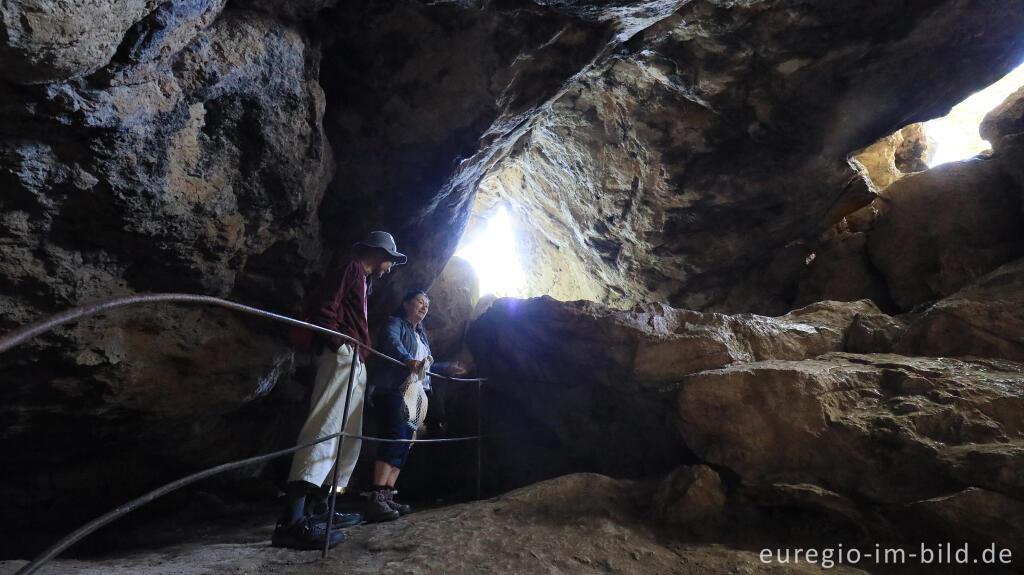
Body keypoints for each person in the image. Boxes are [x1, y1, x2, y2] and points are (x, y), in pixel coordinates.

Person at [272, 231, 407, 550]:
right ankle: (291, 521)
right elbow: (324, 308)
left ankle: (319, 508)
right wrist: (339, 343)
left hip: (354, 358)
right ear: (379, 253)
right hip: (341, 356)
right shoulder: (350, 269)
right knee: (325, 427)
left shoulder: (361, 277)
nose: (390, 266)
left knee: (348, 434)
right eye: (390, 259)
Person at [365, 290, 467, 521]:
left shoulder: (421, 336)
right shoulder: (395, 323)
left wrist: (448, 367)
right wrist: (406, 359)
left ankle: (387, 495)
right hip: (393, 388)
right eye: (420, 302)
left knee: (405, 442)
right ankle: (375, 498)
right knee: (394, 436)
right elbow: (391, 343)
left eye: (427, 305)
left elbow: (426, 366)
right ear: (405, 303)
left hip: (416, 394)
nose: (424, 307)